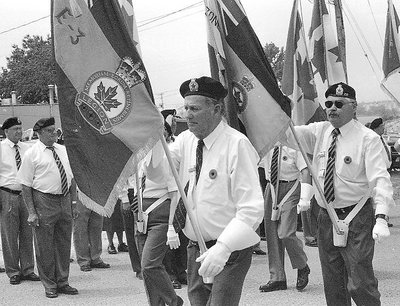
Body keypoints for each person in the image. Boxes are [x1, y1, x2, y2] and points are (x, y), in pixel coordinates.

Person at [283, 82, 393, 306]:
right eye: (329, 103)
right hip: (326, 215)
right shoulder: (320, 131)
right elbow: (286, 136)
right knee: (333, 283)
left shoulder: (368, 139)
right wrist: (275, 111)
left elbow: (380, 180)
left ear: (354, 107)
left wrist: (381, 216)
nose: (332, 108)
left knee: (360, 282)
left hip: (357, 216)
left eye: (339, 104)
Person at [169, 76, 264, 306]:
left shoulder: (236, 145)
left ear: (217, 109)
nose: (187, 115)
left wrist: (223, 248)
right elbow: (161, 166)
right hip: (196, 247)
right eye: (185, 108)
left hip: (229, 250)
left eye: (194, 109)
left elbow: (252, 209)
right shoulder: (186, 140)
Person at [17, 117, 79, 298]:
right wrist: (32, 212)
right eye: (50, 131)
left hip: (64, 199)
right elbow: (25, 185)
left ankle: (63, 281)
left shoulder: (63, 150)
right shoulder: (32, 153)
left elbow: (71, 178)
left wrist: (73, 203)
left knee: (63, 243)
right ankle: (49, 284)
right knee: (44, 245)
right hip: (44, 200)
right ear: (39, 133)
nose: (55, 133)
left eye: (55, 130)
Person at [136, 125, 183, 306]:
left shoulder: (165, 158)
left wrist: (172, 226)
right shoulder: (141, 158)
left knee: (150, 264)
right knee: (146, 268)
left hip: (160, 217)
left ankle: (173, 301)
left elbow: (174, 194)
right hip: (143, 217)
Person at [259, 145, 311, 293]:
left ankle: (302, 266)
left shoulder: (293, 144)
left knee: (286, 233)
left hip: (290, 187)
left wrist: (305, 198)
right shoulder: (266, 142)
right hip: (271, 188)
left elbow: (305, 171)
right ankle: (277, 277)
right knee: (272, 234)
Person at [0, 117, 40, 285]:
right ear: (6, 131)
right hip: (7, 194)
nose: (18, 132)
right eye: (15, 129)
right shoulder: (1, 148)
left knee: (27, 233)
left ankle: (28, 269)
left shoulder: (28, 149)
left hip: (26, 195)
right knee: (9, 234)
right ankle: (13, 271)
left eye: (20, 128)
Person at [73, 197, 110, 272]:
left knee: (97, 226)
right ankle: (84, 261)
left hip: (96, 195)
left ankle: (95, 258)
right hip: (81, 194)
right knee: (81, 229)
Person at [119, 175, 142, 279]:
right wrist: (124, 199)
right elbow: (121, 177)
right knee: (132, 234)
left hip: (144, 191)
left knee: (144, 231)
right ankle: (138, 268)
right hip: (130, 193)